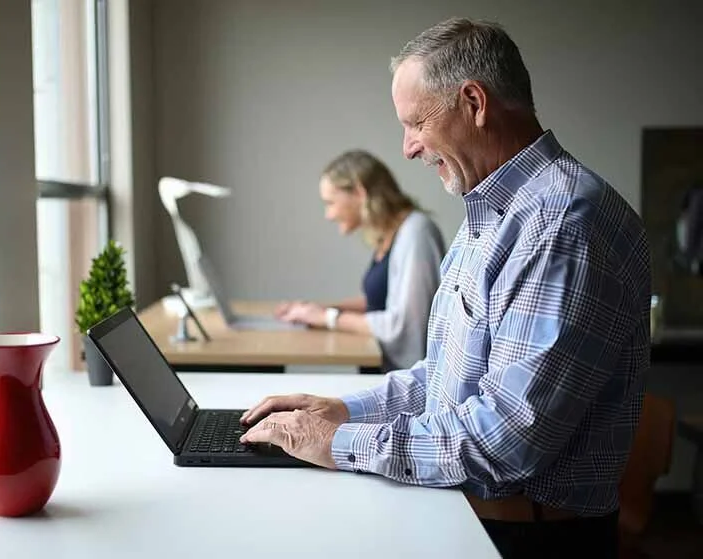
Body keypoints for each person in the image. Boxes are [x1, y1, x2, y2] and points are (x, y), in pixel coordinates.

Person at [240, 17, 650, 559]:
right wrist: (341, 411)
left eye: (416, 123)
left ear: (474, 103)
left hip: (527, 539)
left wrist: (337, 443)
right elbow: (447, 378)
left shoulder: (561, 223)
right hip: (478, 518)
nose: (407, 148)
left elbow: (504, 439)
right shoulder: (496, 213)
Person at [275, 149, 445, 371]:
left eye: (330, 202)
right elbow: (377, 303)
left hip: (401, 382)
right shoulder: (391, 234)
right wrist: (315, 310)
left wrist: (328, 317)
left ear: (359, 192)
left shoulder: (417, 232)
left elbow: (404, 325)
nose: (329, 214)